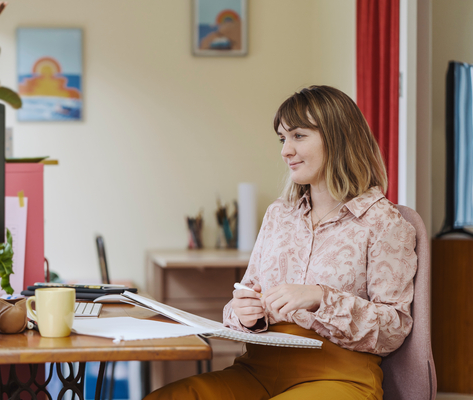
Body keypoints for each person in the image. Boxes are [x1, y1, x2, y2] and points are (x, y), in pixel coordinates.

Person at [144, 85, 417, 400]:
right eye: (282, 138)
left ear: (339, 137)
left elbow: (394, 328)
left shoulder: (385, 223)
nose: (285, 150)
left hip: (339, 377)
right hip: (257, 370)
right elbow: (243, 297)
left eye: (298, 136)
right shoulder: (279, 215)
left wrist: (320, 298)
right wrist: (245, 313)